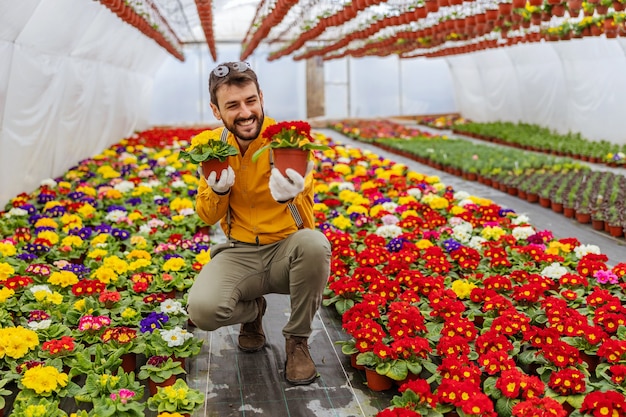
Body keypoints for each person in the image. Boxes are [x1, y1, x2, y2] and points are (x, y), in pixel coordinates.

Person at [186, 61, 331, 385]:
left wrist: (292, 193)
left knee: (314, 244)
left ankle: (297, 342)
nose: (245, 112)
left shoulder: (288, 139)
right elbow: (207, 216)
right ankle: (253, 313)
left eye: (251, 100)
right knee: (202, 311)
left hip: (286, 250)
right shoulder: (208, 147)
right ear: (216, 110)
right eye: (232, 105)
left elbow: (306, 195)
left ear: (261, 97)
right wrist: (217, 190)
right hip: (241, 252)